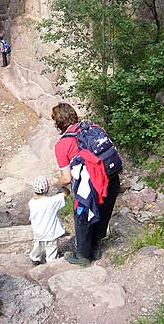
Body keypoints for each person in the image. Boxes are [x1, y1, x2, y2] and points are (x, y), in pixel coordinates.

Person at [51, 102, 121, 266]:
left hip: (90, 187)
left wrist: (56, 182)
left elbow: (66, 178)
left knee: (82, 216)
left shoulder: (62, 145)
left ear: (58, 123)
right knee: (103, 212)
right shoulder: (93, 127)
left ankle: (83, 256)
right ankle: (96, 248)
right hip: (110, 178)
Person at [29, 175, 70, 264]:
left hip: (38, 233)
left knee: (37, 247)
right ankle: (51, 262)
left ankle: (35, 258)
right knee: (51, 249)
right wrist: (59, 184)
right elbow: (67, 193)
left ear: (35, 190)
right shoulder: (52, 201)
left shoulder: (32, 203)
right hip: (51, 233)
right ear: (47, 189)